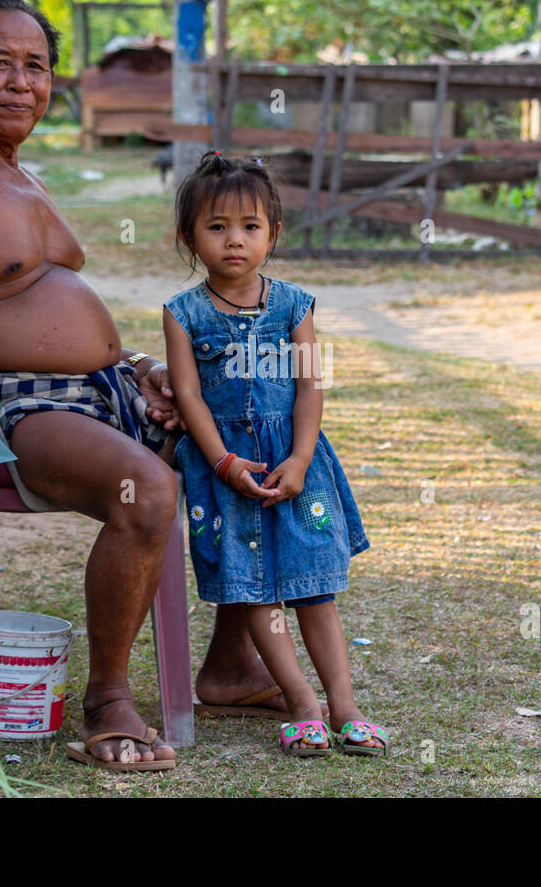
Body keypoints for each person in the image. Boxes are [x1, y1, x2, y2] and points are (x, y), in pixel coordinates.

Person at [0, 0, 297, 771]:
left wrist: (137, 366)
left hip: (102, 392)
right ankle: (108, 701)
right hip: (15, 405)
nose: (19, 82)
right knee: (146, 486)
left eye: (35, 66)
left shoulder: (23, 176)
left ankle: (232, 666)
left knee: (260, 446)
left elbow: (47, 307)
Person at [162, 152, 387, 756]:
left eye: (250, 226)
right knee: (255, 589)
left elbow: (311, 384)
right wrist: (224, 464)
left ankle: (345, 705)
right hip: (227, 472)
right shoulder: (181, 314)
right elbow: (188, 397)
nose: (235, 240)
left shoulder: (296, 306)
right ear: (189, 237)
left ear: (273, 233)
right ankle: (303, 704)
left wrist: (301, 456)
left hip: (296, 461)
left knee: (314, 584)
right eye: (216, 227)